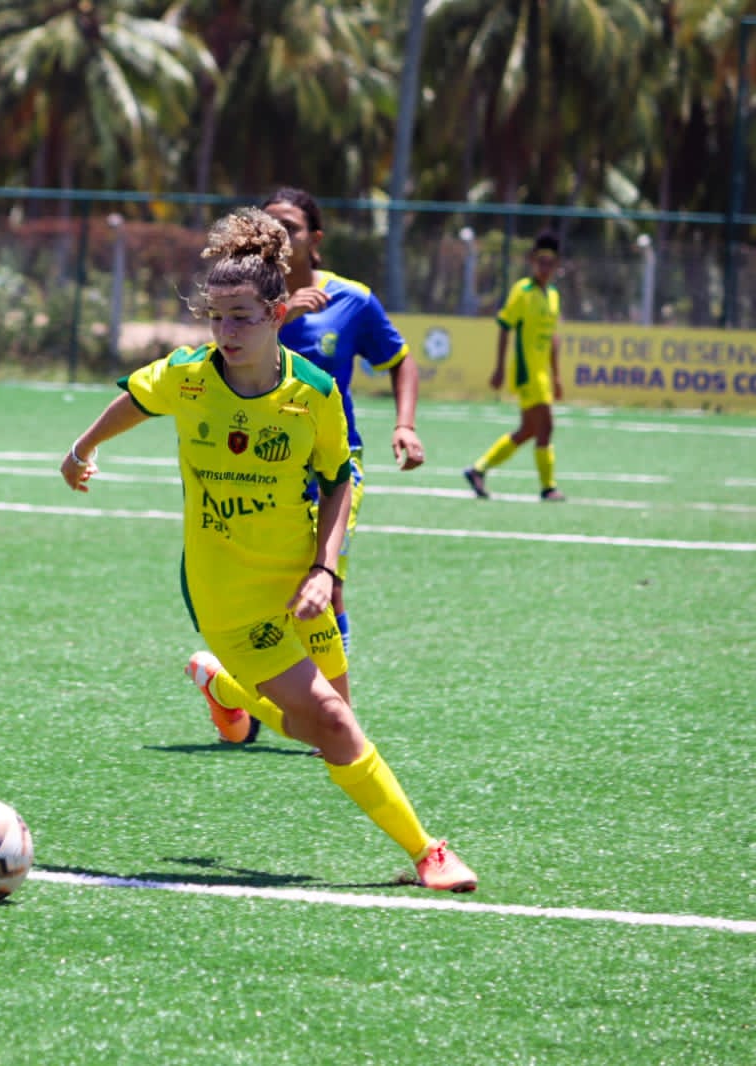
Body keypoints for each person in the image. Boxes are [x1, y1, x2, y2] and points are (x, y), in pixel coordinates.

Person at [58, 208, 477, 892]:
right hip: (229, 594)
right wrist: (81, 450)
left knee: (329, 726)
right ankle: (428, 852)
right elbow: (134, 400)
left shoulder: (311, 394)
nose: (226, 332)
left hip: (299, 579)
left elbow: (340, 478)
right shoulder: (186, 377)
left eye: (243, 316)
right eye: (216, 317)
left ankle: (223, 688)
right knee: (333, 724)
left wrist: (323, 568)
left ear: (277, 313)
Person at [190, 187, 424, 745]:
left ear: (314, 239)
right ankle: (229, 691)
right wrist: (280, 314)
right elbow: (205, 361)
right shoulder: (248, 299)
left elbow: (400, 360)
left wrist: (405, 424)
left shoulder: (353, 300)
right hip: (258, 469)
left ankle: (339, 717)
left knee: (326, 581)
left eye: (290, 227)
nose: (278, 236)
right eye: (268, 224)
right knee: (274, 593)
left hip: (332, 467)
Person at [463, 232, 564, 501]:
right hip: (527, 372)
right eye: (541, 261)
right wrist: (498, 368)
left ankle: (478, 469)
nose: (545, 267)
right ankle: (548, 487)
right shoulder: (523, 291)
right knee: (547, 426)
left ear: (556, 266)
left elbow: (553, 338)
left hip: (543, 372)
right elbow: (505, 328)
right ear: (533, 262)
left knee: (529, 430)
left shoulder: (553, 295)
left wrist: (557, 376)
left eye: (550, 263)